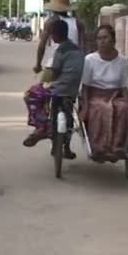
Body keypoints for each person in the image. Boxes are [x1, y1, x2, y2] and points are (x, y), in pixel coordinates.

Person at [23, 19, 84, 159]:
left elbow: (55, 71)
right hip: (73, 89)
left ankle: (43, 127)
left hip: (58, 88)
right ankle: (66, 147)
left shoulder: (60, 49)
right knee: (68, 115)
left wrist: (44, 80)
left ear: (56, 34)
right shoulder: (79, 47)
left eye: (52, 34)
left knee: (31, 95)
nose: (51, 36)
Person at [80, 25, 128, 162]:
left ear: (113, 40)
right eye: (98, 38)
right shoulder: (90, 59)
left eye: (105, 38)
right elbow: (85, 86)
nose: (101, 41)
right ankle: (99, 148)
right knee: (101, 108)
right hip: (95, 95)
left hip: (115, 95)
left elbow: (124, 86)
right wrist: (84, 107)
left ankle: (117, 147)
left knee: (123, 108)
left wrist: (126, 101)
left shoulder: (122, 61)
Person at [35, 0, 85, 79]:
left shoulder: (51, 22)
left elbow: (42, 44)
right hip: (73, 65)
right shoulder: (78, 22)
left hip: (53, 65)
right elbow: (83, 46)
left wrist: (38, 64)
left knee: (43, 90)